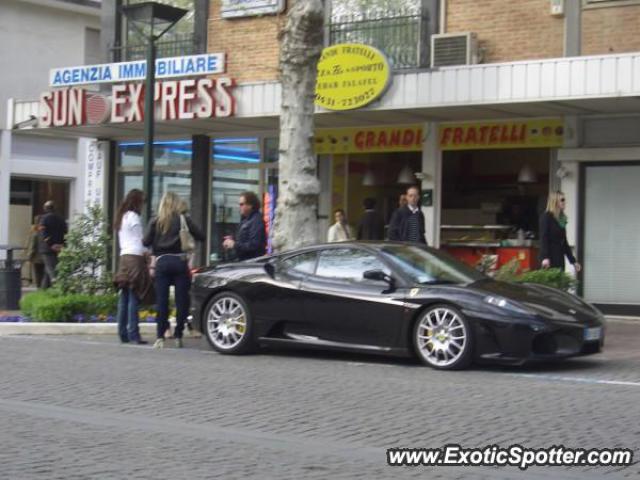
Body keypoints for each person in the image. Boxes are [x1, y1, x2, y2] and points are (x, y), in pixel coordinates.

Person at [143, 192, 205, 349]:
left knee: (162, 301)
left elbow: (145, 241)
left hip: (162, 263)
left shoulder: (156, 220)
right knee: (181, 301)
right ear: (176, 203)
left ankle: (160, 337)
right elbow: (201, 236)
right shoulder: (183, 219)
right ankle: (178, 335)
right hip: (179, 261)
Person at [113, 189, 151, 345]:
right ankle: (134, 333)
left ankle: (122, 333)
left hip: (123, 258)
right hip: (135, 258)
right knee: (134, 295)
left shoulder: (121, 217)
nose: (143, 205)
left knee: (124, 296)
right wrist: (148, 254)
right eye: (142, 202)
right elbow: (139, 240)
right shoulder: (134, 217)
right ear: (137, 202)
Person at [539, 191, 581, 273]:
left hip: (559, 257)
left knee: (559, 283)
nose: (564, 202)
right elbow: (544, 238)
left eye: (564, 199)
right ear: (555, 201)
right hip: (550, 257)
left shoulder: (561, 219)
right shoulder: (546, 217)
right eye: (562, 200)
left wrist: (573, 261)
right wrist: (545, 257)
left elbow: (564, 241)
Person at [222, 191, 266, 260]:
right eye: (239, 204)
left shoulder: (256, 220)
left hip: (251, 264)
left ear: (250, 205)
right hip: (244, 262)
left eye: (242, 204)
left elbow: (254, 245)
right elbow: (244, 239)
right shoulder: (246, 219)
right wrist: (232, 239)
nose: (240, 207)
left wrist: (234, 244)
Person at [38, 200, 67, 288]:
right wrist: (62, 244)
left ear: (45, 208)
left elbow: (43, 233)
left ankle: (58, 288)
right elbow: (65, 232)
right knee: (48, 269)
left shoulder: (43, 218)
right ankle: (43, 291)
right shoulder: (61, 219)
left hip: (46, 248)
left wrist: (51, 244)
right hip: (59, 247)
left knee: (52, 271)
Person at [24, 216, 45, 288]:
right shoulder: (45, 232)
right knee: (44, 274)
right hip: (45, 257)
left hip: (37, 258)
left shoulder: (35, 233)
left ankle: (39, 288)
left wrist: (29, 257)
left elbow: (32, 247)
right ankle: (44, 288)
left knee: (38, 274)